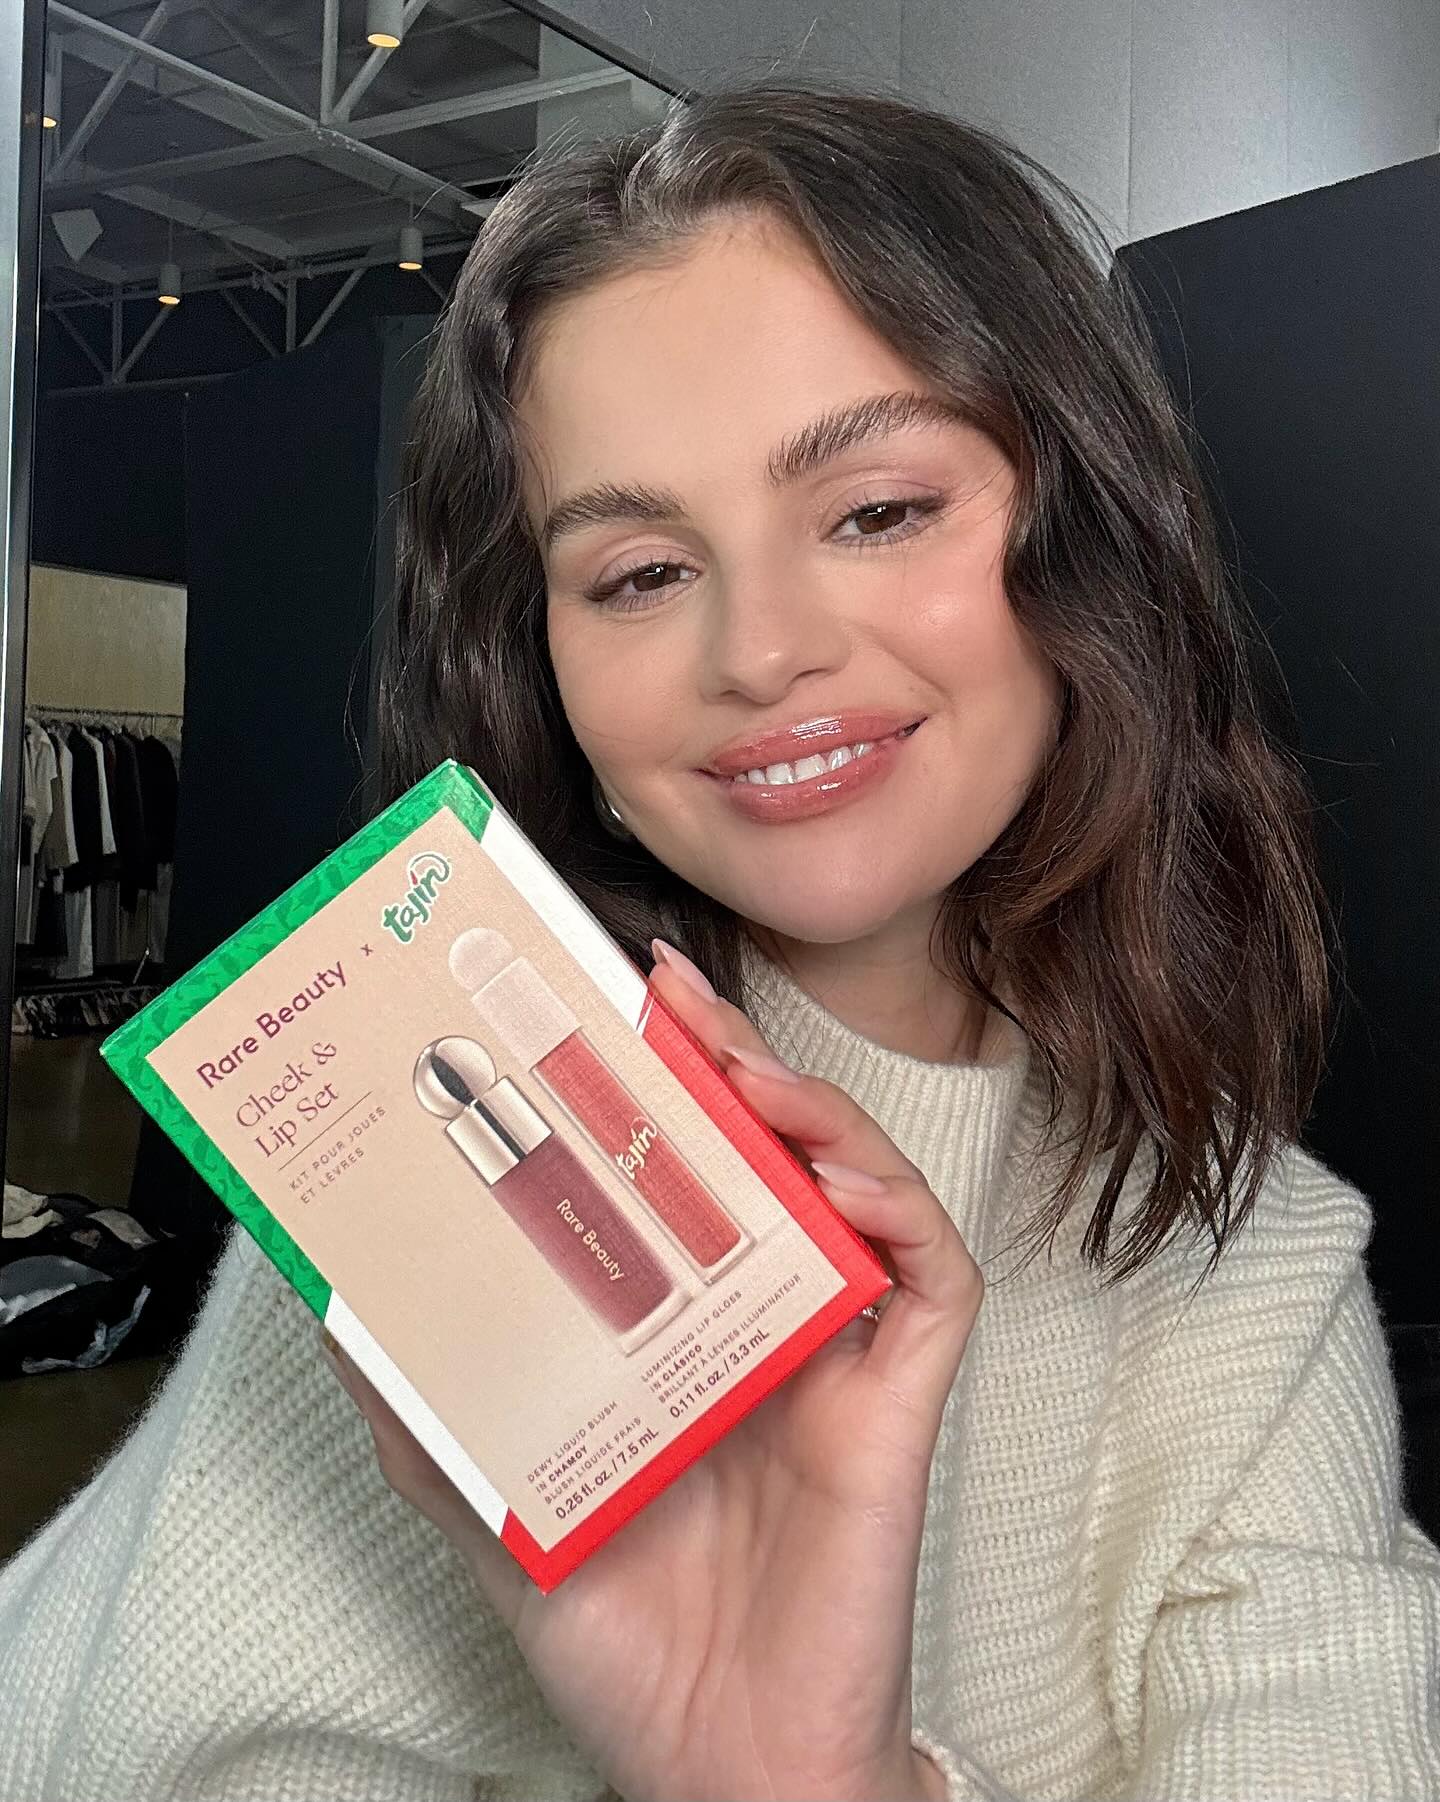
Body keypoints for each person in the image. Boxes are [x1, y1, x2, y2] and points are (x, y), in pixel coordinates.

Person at [2, 81, 1436, 1802]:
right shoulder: (447, 1172)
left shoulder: (1253, 1265)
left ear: (1092, 532)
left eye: (879, 510)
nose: (758, 651)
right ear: (543, 662)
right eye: (639, 574)